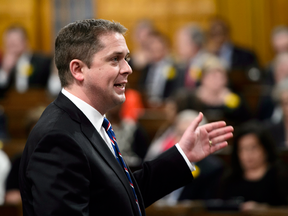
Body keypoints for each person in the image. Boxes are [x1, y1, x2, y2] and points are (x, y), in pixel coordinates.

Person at [19, 19, 233, 216]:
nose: (128, 69)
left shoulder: (85, 122)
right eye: (115, 59)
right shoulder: (58, 138)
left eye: (127, 59)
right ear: (78, 69)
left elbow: (120, 194)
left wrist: (183, 155)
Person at [220, 121, 288, 211]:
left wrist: (265, 210)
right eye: (243, 149)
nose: (248, 154)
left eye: (253, 147)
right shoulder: (230, 178)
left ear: (265, 149)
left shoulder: (281, 176)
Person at [0, 26, 52, 97]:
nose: (11, 44)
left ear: (25, 41)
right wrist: (5, 70)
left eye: (14, 41)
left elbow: (52, 89)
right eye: (8, 41)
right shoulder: (3, 64)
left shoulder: (43, 62)